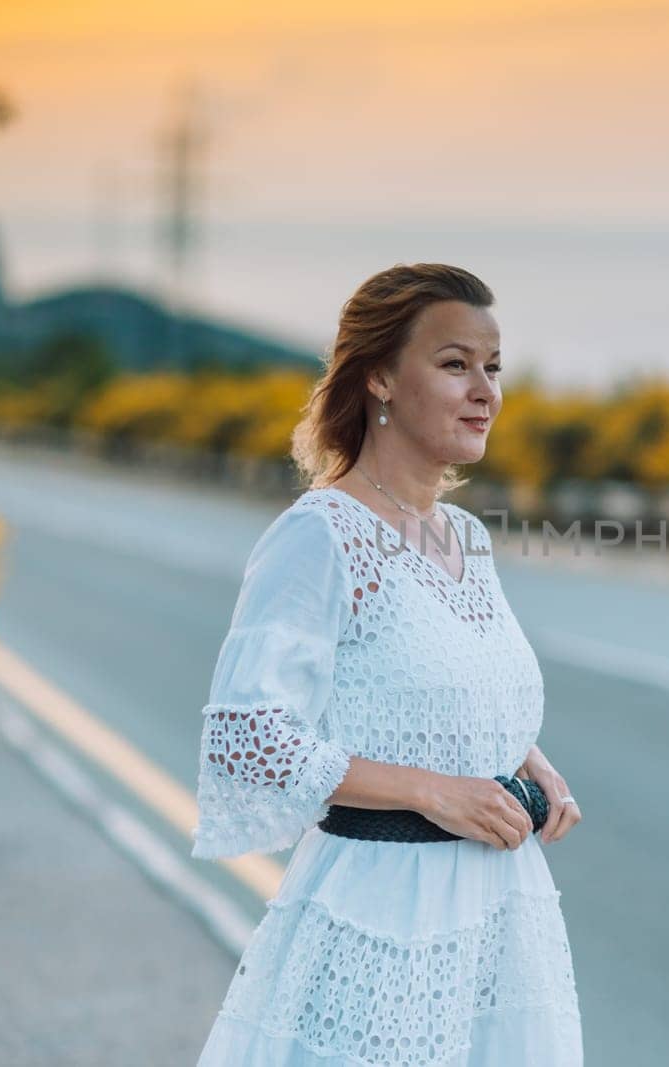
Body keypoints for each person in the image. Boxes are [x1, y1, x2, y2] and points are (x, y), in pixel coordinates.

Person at [191, 263, 584, 1065]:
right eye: (454, 364)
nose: (485, 391)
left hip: (501, 918)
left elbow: (451, 689)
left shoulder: (466, 539)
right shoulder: (321, 535)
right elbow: (247, 736)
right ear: (378, 377)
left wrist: (528, 762)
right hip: (382, 916)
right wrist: (431, 789)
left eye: (493, 367)